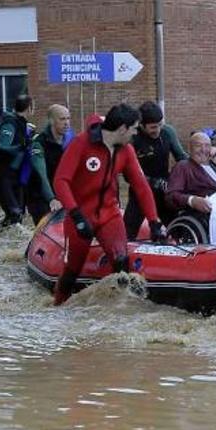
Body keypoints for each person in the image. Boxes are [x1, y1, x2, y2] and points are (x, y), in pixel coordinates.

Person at [51, 103, 168, 305]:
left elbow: (141, 187)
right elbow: (61, 181)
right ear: (122, 129)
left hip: (109, 215)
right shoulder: (81, 144)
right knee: (72, 270)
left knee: (122, 262)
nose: (135, 134)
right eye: (133, 129)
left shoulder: (126, 150)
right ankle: (57, 307)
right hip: (80, 214)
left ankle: (117, 316)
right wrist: (76, 215)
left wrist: (154, 221)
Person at [124, 100, 188, 239]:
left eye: (160, 125)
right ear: (141, 125)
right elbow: (127, 174)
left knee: (176, 230)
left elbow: (181, 158)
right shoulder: (133, 138)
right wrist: (153, 182)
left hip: (164, 190)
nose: (157, 130)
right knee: (128, 232)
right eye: (153, 127)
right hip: (140, 192)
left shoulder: (168, 132)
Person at [165, 130, 216, 215]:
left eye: (207, 145)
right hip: (209, 215)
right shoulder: (183, 166)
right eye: (198, 145)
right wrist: (191, 200)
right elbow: (171, 196)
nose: (203, 149)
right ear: (189, 149)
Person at [0, 95, 33, 230]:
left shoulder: (22, 123)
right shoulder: (10, 122)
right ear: (29, 108)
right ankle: (0, 242)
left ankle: (0, 240)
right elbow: (3, 146)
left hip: (15, 176)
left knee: (18, 214)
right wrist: (22, 146)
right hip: (2, 176)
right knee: (14, 214)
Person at [25, 104, 72, 225]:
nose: (67, 123)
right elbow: (41, 175)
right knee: (45, 228)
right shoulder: (39, 143)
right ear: (51, 121)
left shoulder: (70, 141)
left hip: (60, 192)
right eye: (62, 119)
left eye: (68, 118)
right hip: (39, 195)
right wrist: (51, 199)